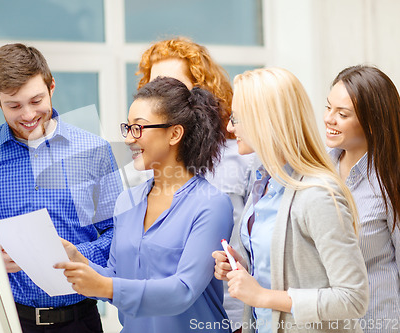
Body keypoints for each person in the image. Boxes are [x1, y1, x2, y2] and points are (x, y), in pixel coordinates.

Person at [55, 77, 234, 332]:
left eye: (138, 128)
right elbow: (116, 277)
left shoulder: (211, 205)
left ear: (174, 133)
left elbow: (183, 291)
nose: (129, 139)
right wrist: (78, 260)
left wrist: (106, 286)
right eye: (127, 128)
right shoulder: (127, 201)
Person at [0, 43, 123, 332]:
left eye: (36, 100)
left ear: (51, 86)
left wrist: (76, 255)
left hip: (80, 320)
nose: (28, 115)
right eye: (14, 105)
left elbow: (118, 233)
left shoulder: (94, 150)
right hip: (9, 320)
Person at [213, 68, 369, 332]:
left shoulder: (318, 194)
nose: (229, 127)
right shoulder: (263, 182)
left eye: (236, 118)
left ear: (263, 121)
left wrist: (262, 296)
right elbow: (287, 271)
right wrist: (243, 268)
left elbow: (353, 298)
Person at [138, 37, 257, 327]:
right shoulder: (147, 159)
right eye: (156, 83)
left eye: (174, 82)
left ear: (199, 90)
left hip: (230, 312)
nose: (164, 92)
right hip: (168, 315)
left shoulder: (239, 155)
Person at [324, 65, 400, 332]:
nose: (329, 119)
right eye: (328, 107)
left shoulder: (390, 181)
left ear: (371, 121)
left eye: (342, 114)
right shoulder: (319, 170)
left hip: (377, 322)